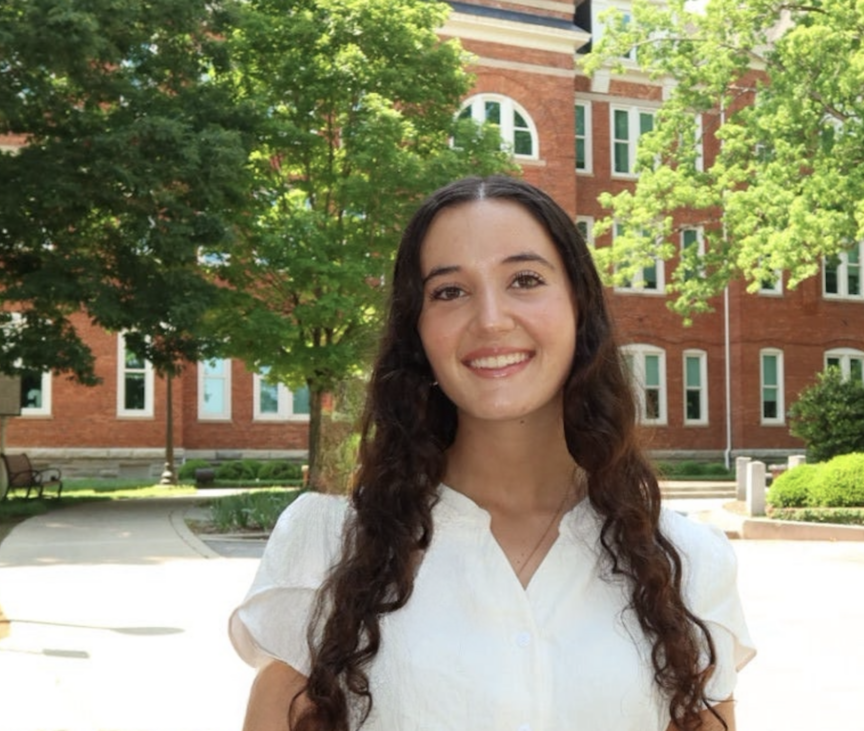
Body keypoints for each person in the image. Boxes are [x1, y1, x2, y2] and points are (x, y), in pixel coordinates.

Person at [229, 175, 755, 731]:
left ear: (579, 306)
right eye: (450, 291)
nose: (491, 319)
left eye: (525, 279)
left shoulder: (686, 563)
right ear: (418, 332)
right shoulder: (328, 547)